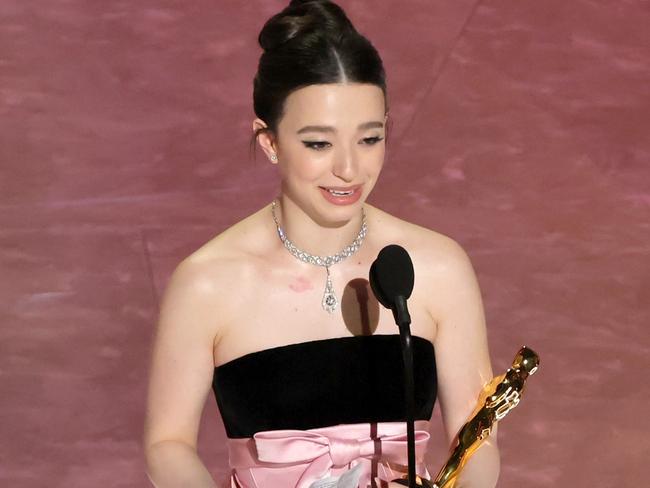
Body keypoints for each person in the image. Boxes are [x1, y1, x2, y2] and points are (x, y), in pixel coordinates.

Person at [143, 1, 500, 487]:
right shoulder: (208, 283)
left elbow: (476, 439)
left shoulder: (438, 268)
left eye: (370, 139)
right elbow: (168, 444)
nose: (349, 170)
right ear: (269, 141)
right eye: (318, 144)